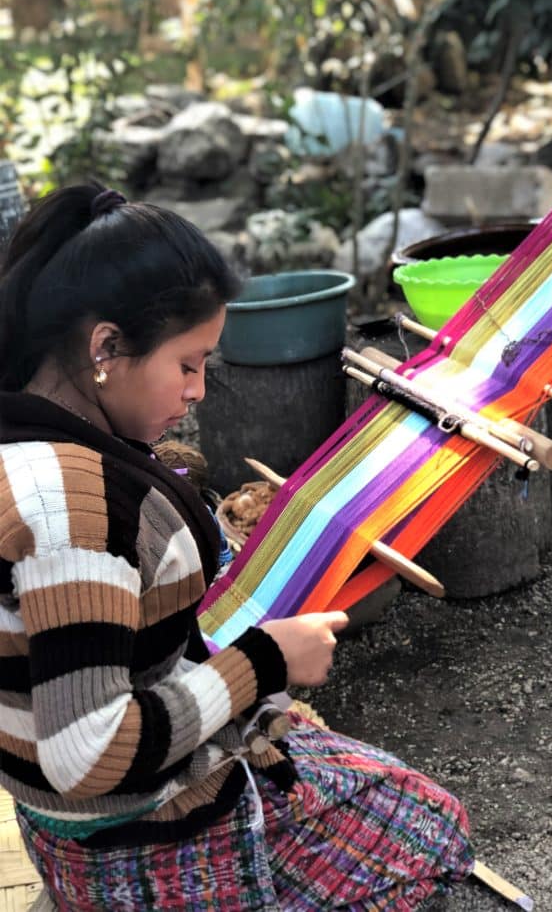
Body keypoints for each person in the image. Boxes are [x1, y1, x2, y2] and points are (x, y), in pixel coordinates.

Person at [0, 183, 473, 910]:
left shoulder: (30, 443)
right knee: (431, 831)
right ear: (106, 348)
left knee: (374, 782)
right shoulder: (74, 507)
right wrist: (263, 662)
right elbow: (86, 753)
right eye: (188, 365)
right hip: (141, 836)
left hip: (74, 818)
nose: (197, 391)